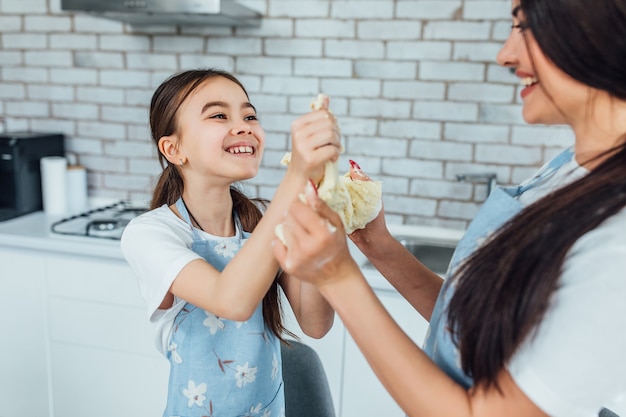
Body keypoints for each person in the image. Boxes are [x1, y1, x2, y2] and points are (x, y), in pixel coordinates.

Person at [271, 0, 626, 416]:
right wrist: (379, 246)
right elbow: (475, 327)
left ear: (598, 28)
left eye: (526, 26)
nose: (506, 54)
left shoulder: (616, 237)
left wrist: (337, 277)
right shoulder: (570, 170)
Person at [121, 68, 339, 417]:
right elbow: (230, 300)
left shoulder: (266, 226)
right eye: (219, 115)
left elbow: (316, 324)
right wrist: (295, 177)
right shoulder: (151, 234)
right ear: (173, 149)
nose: (243, 125)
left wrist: (316, 217)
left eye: (249, 115)